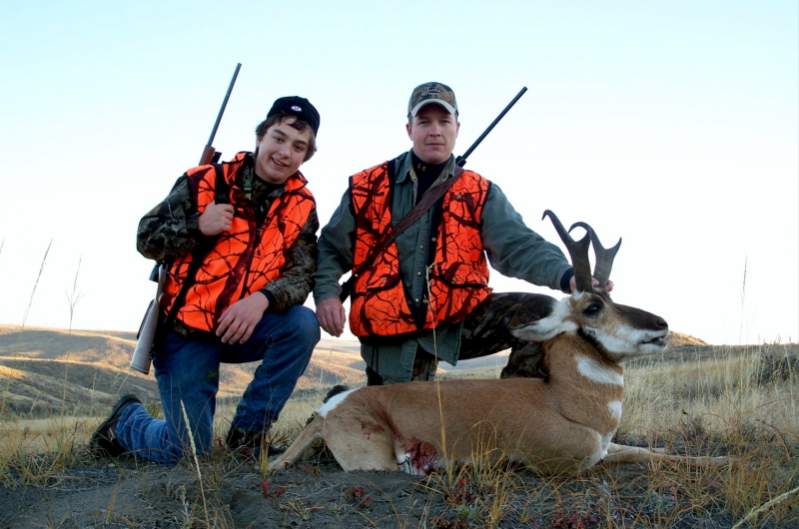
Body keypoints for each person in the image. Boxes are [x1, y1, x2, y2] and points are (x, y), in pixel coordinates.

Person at [315, 82, 602, 385]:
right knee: (406, 424)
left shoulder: (480, 192)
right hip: (392, 328)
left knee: (543, 313)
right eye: (424, 122)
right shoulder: (367, 187)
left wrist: (567, 275)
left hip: (457, 319)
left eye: (444, 121)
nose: (435, 130)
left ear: (457, 127)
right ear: (409, 128)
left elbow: (519, 245)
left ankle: (516, 415)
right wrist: (326, 295)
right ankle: (340, 406)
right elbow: (331, 250)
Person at [89, 96, 322, 464]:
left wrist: (261, 299)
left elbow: (302, 274)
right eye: (278, 138)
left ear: (306, 156)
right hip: (185, 332)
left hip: (242, 327)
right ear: (261, 136)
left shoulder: (303, 205)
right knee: (188, 455)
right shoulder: (205, 180)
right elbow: (145, 237)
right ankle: (126, 422)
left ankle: (248, 436)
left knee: (302, 325)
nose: (284, 152)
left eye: (298, 146)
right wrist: (198, 225)